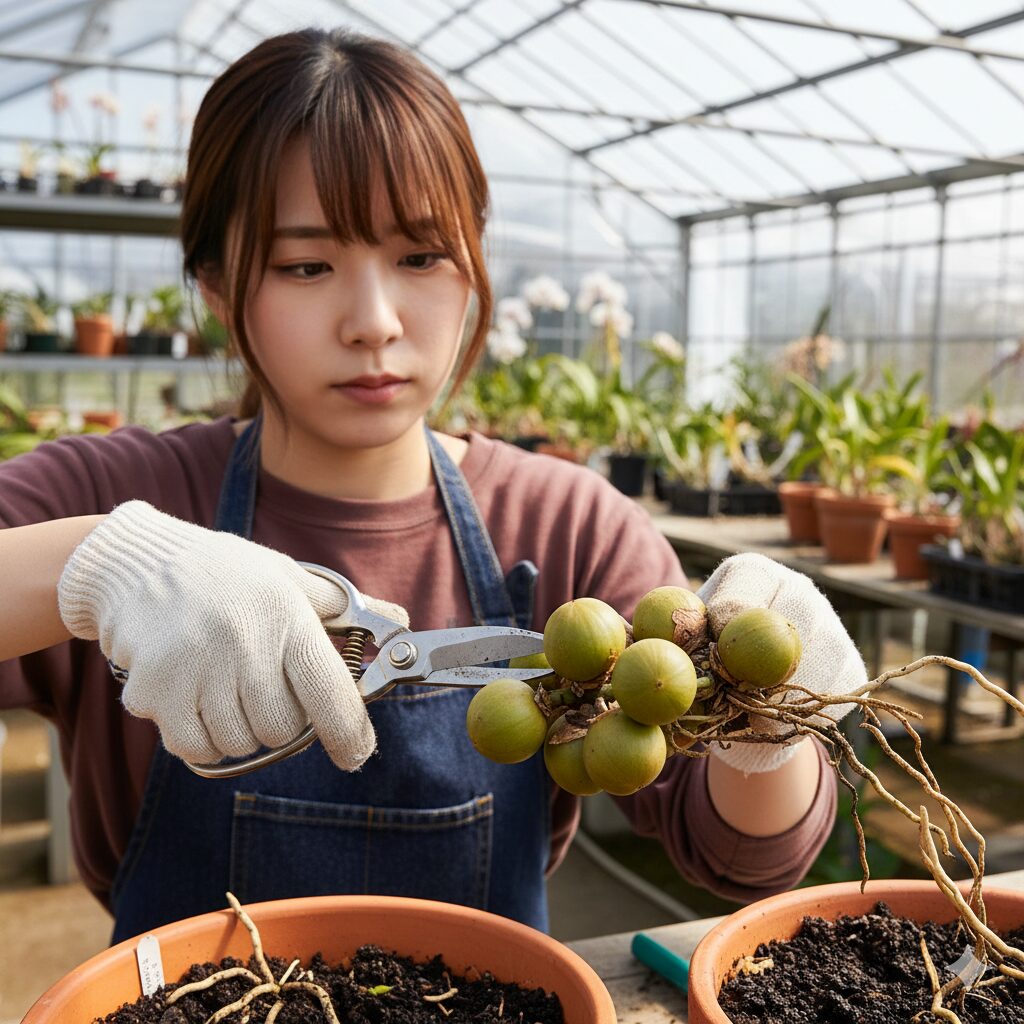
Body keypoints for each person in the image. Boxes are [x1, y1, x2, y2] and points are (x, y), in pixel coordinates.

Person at [0, 28, 863, 945]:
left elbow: (740, 855)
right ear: (216, 285)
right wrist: (91, 564)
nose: (373, 322)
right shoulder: (117, 487)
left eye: (420, 257)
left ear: (474, 261)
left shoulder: (568, 525)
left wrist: (767, 725)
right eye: (305, 265)